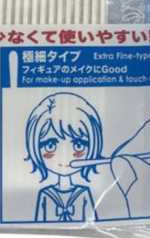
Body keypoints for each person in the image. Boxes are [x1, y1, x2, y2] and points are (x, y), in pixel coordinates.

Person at [24, 92, 103, 222]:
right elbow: (38, 225)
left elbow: (94, 223)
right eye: (50, 146)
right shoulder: (45, 194)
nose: (64, 156)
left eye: (78, 145)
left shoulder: (83, 193)